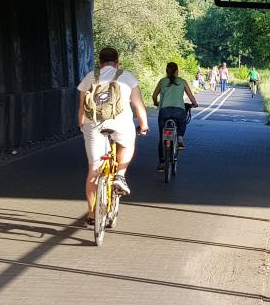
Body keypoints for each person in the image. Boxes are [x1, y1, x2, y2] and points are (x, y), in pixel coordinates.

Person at [77, 47, 148, 224]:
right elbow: (139, 106)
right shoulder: (127, 76)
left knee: (94, 170)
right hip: (120, 122)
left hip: (93, 123)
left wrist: (81, 125)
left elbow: (81, 108)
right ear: (117, 63)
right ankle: (120, 175)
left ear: (100, 63)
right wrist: (144, 126)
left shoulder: (90, 77)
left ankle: (92, 214)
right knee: (128, 142)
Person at [152, 61, 199, 169]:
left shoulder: (162, 81)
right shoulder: (182, 82)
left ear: (166, 71)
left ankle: (162, 162)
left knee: (162, 138)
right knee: (182, 121)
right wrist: (194, 104)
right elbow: (191, 96)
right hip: (179, 110)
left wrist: (155, 102)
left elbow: (154, 95)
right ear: (177, 71)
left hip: (164, 111)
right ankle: (180, 138)